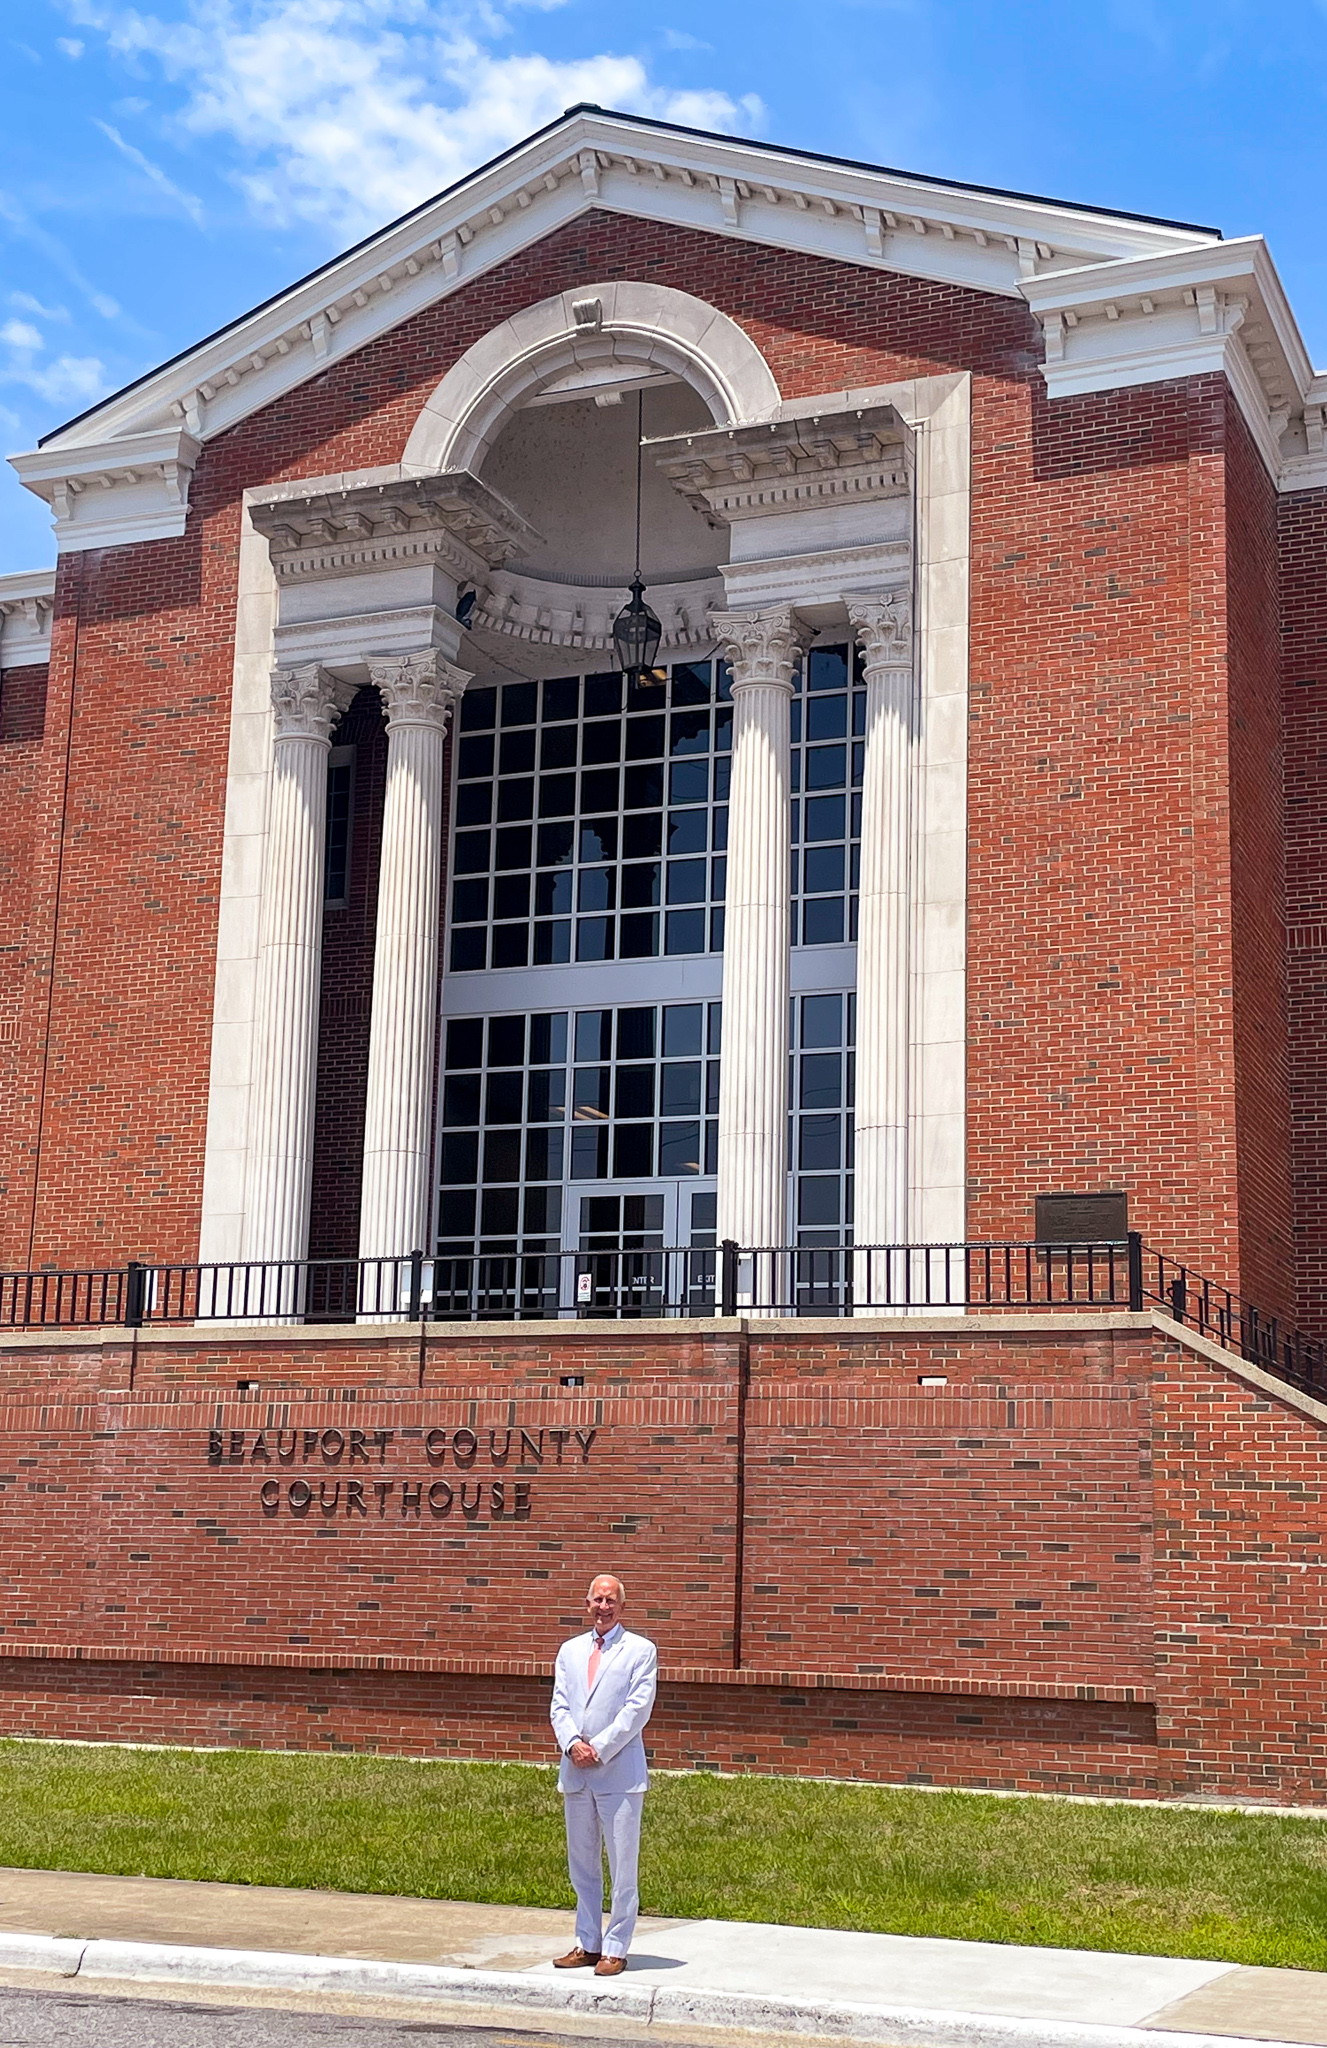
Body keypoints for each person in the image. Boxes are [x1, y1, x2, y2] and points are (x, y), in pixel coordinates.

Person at [549, 1572, 658, 1975]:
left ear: (622, 1606)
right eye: (597, 1600)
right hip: (576, 1771)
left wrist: (600, 1747)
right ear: (587, 1604)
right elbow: (559, 1705)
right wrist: (572, 1743)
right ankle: (587, 1942)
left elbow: (637, 1709)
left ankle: (616, 1947)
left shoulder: (640, 1651)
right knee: (582, 1865)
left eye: (611, 1600)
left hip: (619, 1773)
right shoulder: (570, 1651)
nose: (603, 1607)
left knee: (622, 1866)